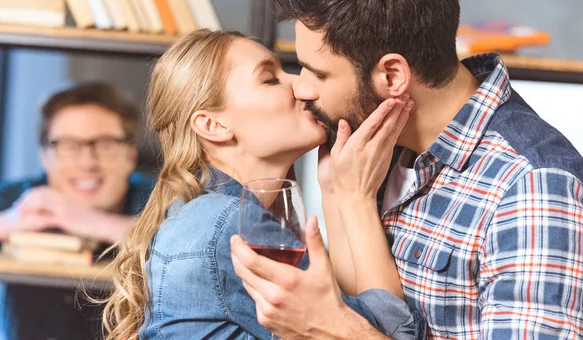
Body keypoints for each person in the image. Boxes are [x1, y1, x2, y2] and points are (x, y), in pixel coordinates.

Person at [231, 0, 583, 338]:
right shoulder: (372, 147)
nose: (301, 89)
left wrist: (330, 329)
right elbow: (372, 309)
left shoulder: (534, 189)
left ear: (392, 76)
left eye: (317, 73)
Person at [103, 29, 421, 340]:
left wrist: (335, 191)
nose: (303, 85)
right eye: (270, 79)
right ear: (213, 125)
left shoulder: (204, 212)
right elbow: (388, 331)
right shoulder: (232, 225)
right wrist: (358, 198)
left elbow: (340, 308)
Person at [0, 82, 154, 340]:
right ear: (45, 156)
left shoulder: (156, 199)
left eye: (105, 145)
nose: (87, 163)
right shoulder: (21, 197)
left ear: (130, 156)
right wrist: (10, 222)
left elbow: (187, 244)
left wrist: (88, 221)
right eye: (69, 145)